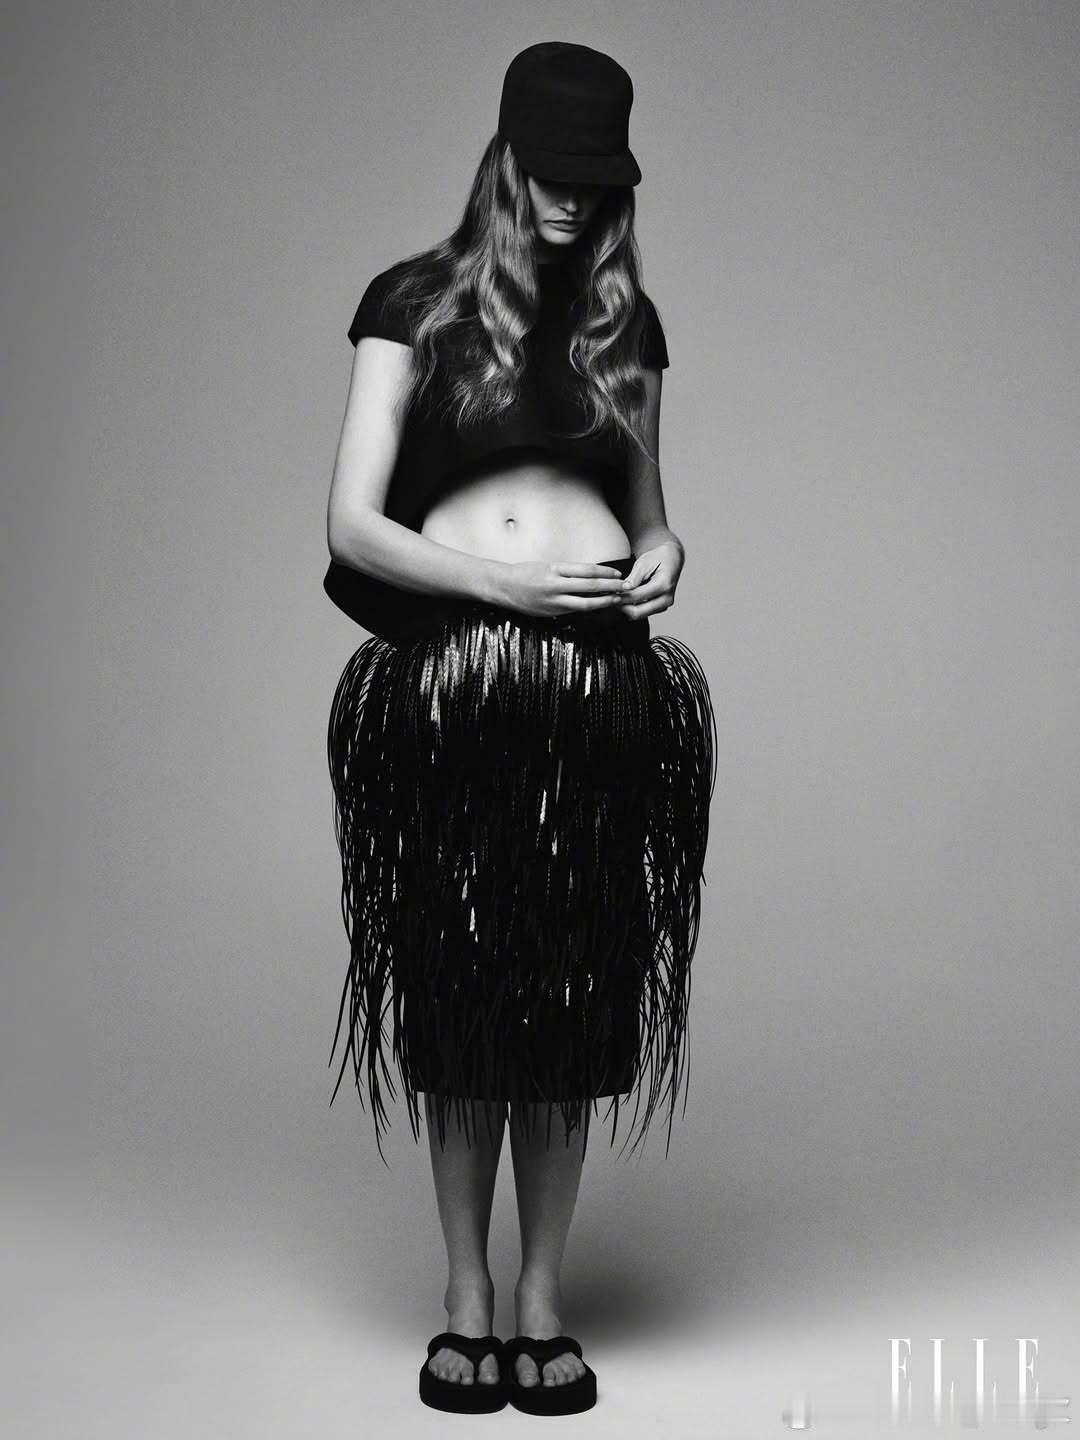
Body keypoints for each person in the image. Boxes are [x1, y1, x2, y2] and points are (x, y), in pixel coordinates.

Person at [323, 41, 717, 1415]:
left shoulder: (627, 325)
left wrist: (662, 553)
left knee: (568, 994)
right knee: (462, 988)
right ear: (505, 161)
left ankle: (542, 1298)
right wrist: (504, 586)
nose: (570, 199)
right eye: (552, 173)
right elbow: (350, 525)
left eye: (595, 181)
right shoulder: (410, 304)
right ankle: (467, 1297)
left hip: (597, 688)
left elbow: (651, 510)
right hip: (460, 677)